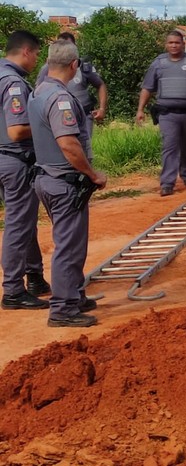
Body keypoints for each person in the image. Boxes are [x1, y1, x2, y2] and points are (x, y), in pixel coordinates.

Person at [28, 38, 107, 327]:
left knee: (72, 243)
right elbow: (69, 145)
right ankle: (62, 309)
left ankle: (74, 295)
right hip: (63, 182)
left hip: (47, 178)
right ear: (74, 66)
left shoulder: (38, 92)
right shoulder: (60, 99)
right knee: (69, 247)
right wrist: (93, 174)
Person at [0, 30, 51, 309]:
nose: (36, 61)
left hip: (4, 159)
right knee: (18, 225)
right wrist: (48, 125)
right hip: (14, 159)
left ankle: (34, 276)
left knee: (24, 220)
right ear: (27, 52)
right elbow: (17, 129)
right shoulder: (14, 84)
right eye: (36, 54)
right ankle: (13, 291)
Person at [136, 30, 186, 196]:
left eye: (177, 43)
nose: (173, 46)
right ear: (166, 44)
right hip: (166, 113)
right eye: (170, 43)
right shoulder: (159, 63)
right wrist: (140, 109)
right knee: (169, 146)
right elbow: (147, 88)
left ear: (183, 44)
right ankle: (167, 184)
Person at [36, 32, 108, 159]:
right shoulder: (47, 69)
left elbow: (100, 85)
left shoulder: (84, 68)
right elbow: (38, 94)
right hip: (57, 117)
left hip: (84, 116)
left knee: (83, 151)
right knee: (63, 150)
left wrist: (102, 108)